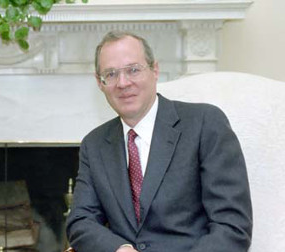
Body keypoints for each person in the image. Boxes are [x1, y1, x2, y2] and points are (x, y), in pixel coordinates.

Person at [65, 31, 252, 252]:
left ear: (155, 70)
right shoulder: (94, 144)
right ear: (100, 82)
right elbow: (81, 220)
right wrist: (119, 248)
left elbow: (232, 226)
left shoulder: (204, 124)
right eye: (111, 74)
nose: (123, 83)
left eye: (133, 70)